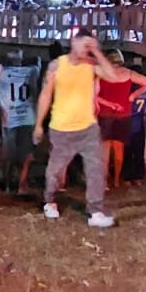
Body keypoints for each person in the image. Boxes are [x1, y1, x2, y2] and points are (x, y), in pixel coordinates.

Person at [34, 28, 118, 227]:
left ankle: (95, 211)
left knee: (95, 169)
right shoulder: (57, 65)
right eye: (84, 44)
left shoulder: (91, 65)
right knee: (55, 169)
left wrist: (97, 52)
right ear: (74, 41)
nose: (86, 49)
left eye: (90, 45)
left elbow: (112, 76)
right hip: (61, 128)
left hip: (87, 127)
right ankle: (49, 201)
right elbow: (46, 95)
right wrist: (38, 124)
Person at [0, 48, 41, 195]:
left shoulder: (2, 72)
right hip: (28, 116)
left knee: (8, 153)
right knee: (27, 153)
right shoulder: (32, 71)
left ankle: (8, 183)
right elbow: (39, 61)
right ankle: (22, 184)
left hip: (9, 118)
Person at [96, 49, 146, 188]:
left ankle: (104, 182)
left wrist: (108, 103)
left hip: (105, 114)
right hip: (124, 114)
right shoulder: (128, 73)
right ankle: (116, 180)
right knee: (119, 149)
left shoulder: (101, 74)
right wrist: (133, 96)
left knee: (105, 151)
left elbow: (93, 95)